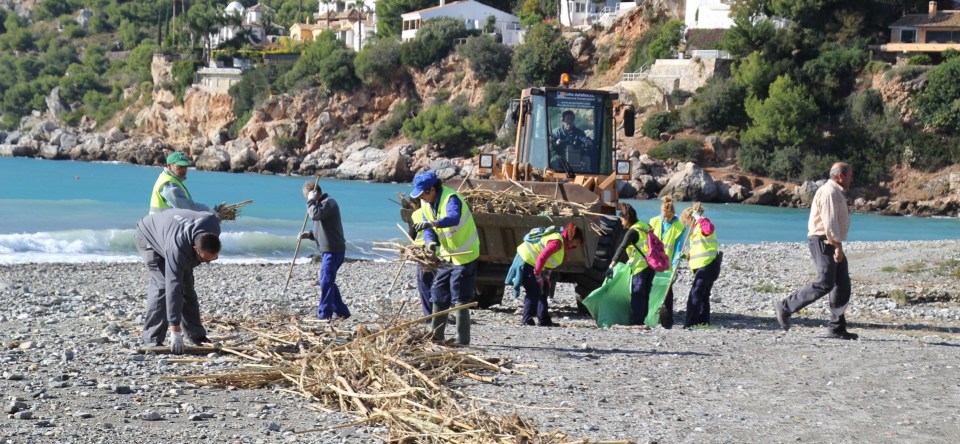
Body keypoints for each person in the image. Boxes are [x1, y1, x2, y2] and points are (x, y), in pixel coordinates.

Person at [775, 162, 858, 340]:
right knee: (825, 282)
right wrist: (837, 246)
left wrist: (837, 244)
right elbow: (829, 223)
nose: (852, 178)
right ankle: (785, 306)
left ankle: (837, 327)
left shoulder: (836, 192)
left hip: (830, 240)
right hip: (823, 241)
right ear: (841, 176)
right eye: (850, 174)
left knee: (842, 283)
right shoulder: (829, 192)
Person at [135, 208, 221, 354]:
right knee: (163, 284)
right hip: (148, 236)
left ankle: (197, 337)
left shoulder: (214, 225)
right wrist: (175, 331)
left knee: (187, 288)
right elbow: (173, 286)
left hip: (170, 231)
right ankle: (152, 339)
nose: (208, 263)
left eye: (213, 259)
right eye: (205, 260)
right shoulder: (177, 249)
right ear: (195, 249)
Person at [410, 171, 480, 345]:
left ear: (432, 189)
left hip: (465, 253)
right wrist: (431, 242)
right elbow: (427, 230)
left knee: (459, 294)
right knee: (438, 290)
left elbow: (453, 218)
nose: (422, 199)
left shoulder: (451, 198)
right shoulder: (426, 204)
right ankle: (436, 335)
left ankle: (462, 339)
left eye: (423, 194)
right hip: (447, 254)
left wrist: (433, 224)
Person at [299, 181, 350, 320]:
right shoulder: (319, 205)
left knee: (326, 281)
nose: (306, 199)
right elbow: (321, 228)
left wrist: (310, 200)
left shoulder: (328, 202)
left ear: (313, 192)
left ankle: (324, 314)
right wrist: (309, 235)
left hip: (333, 250)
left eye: (306, 196)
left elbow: (315, 215)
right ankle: (342, 311)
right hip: (328, 250)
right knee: (328, 281)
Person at [517, 223, 583, 327]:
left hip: (535, 263)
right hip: (527, 260)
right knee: (534, 290)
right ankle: (527, 319)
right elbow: (542, 257)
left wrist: (546, 277)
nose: (576, 245)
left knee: (544, 289)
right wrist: (538, 276)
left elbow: (550, 261)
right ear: (571, 237)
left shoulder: (562, 245)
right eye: (576, 242)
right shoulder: (556, 242)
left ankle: (543, 319)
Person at [607, 203, 656, 326]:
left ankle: (637, 321)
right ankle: (642, 320)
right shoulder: (645, 226)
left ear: (626, 218)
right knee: (645, 294)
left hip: (640, 267)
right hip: (651, 266)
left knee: (637, 294)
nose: (621, 222)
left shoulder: (632, 231)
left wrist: (611, 266)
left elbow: (621, 248)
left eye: (622, 219)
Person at [679, 203, 722, 328]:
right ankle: (703, 322)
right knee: (703, 295)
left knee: (695, 294)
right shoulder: (696, 232)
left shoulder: (703, 224)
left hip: (708, 265)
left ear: (689, 218)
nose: (687, 225)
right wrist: (686, 256)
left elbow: (709, 229)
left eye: (686, 222)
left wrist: (699, 217)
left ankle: (690, 323)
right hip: (706, 266)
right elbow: (699, 249)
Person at [650, 196, 687, 329]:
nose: (667, 219)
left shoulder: (679, 227)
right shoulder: (653, 221)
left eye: (669, 217)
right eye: (665, 217)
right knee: (652, 288)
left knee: (668, 291)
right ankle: (652, 314)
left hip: (668, 265)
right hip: (653, 263)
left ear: (673, 214)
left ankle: (668, 318)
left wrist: (678, 259)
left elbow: (678, 247)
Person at [406, 203, 435, 318]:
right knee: (438, 284)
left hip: (424, 254)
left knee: (424, 284)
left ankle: (429, 315)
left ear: (414, 204)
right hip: (439, 252)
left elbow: (412, 234)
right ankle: (440, 313)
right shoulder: (436, 211)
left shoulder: (417, 214)